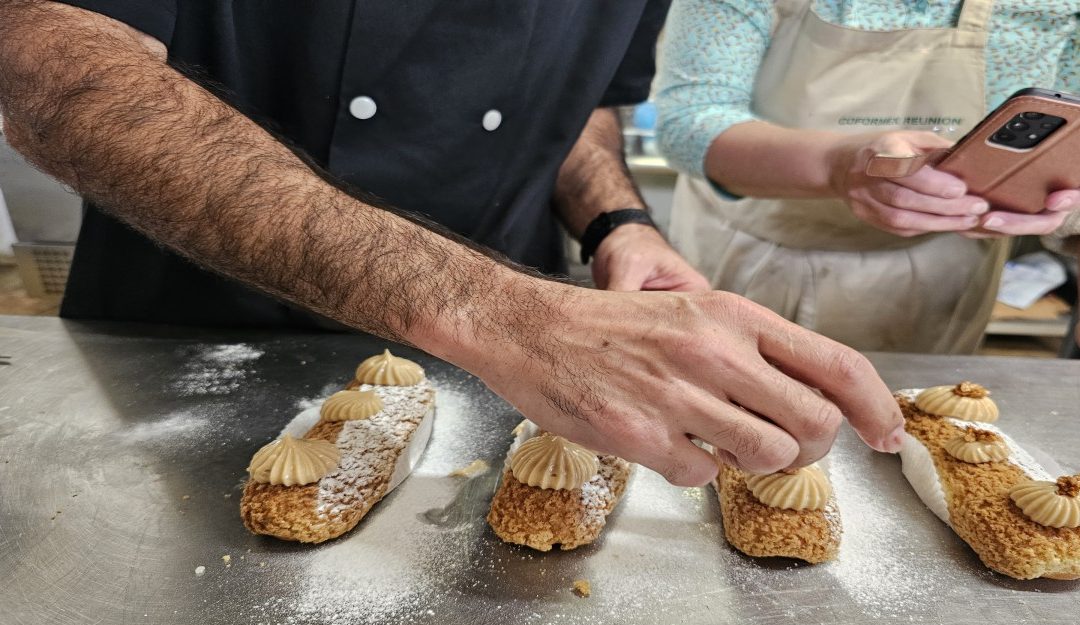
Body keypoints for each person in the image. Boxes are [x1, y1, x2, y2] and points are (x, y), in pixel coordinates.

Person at [0, 0, 906, 486]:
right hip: (194, 336)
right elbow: (57, 70)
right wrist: (497, 309)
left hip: (519, 369)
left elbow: (585, 106)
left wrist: (615, 222)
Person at [655, 0, 1080, 354]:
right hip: (751, 260)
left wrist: (1053, 202)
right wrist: (839, 165)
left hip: (945, 279)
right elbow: (689, 122)